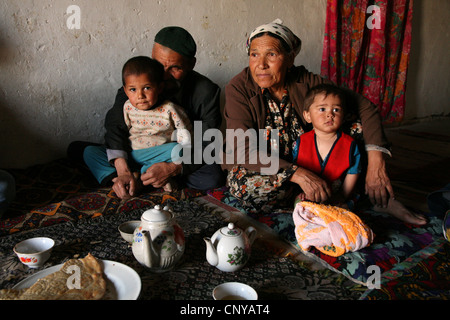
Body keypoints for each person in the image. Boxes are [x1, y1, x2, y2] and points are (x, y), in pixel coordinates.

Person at [222, 19, 426, 225]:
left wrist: (376, 163)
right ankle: (323, 196)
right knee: (250, 189)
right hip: (266, 165)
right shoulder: (239, 88)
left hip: (310, 159)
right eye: (254, 54)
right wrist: (298, 174)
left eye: (272, 54)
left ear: (290, 58)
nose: (261, 64)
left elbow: (365, 107)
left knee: (352, 125)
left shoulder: (306, 81)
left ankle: (377, 196)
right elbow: (242, 148)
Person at [68, 26, 225, 199]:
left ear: (191, 64)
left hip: (173, 154)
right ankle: (131, 179)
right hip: (137, 151)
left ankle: (135, 181)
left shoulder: (206, 92)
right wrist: (122, 170)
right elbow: (115, 126)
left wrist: (172, 168)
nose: (163, 75)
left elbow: (208, 142)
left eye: (175, 68)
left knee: (212, 177)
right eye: (158, 64)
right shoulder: (139, 83)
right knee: (82, 150)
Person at [83, 56, 192, 194]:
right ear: (125, 90)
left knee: (178, 149)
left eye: (147, 88)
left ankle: (139, 178)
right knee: (90, 152)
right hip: (132, 155)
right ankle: (121, 180)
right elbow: (119, 133)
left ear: (159, 88)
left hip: (157, 155)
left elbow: (186, 136)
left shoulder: (170, 109)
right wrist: (123, 162)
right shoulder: (127, 107)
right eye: (133, 89)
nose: (140, 95)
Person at [293, 84, 361, 210]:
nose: (330, 115)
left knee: (345, 209)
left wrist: (342, 196)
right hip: (309, 194)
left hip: (337, 194)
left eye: (336, 110)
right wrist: (303, 192)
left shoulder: (349, 144)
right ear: (308, 116)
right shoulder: (301, 142)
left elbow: (353, 172)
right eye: (322, 109)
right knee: (300, 205)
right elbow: (295, 169)